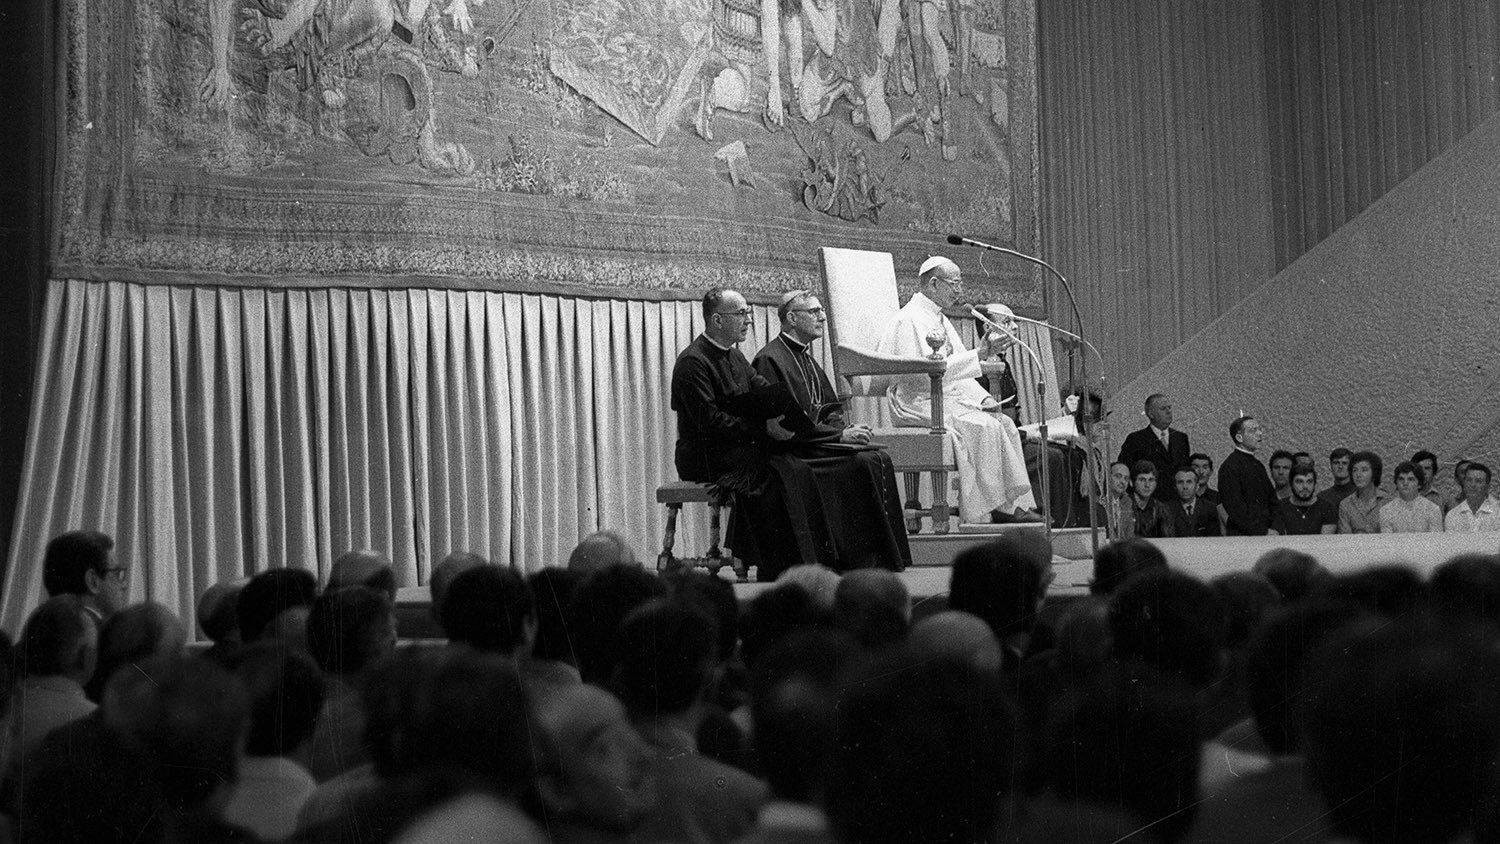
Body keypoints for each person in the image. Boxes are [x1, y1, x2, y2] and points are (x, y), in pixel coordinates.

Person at [671, 288, 908, 580]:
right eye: (741, 314)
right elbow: (710, 422)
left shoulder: (734, 356)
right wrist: (764, 429)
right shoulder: (693, 362)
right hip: (706, 455)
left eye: (748, 314)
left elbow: (764, 390)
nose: (749, 320)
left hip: (736, 447)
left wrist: (785, 414)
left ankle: (811, 562)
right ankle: (780, 566)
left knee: (791, 467)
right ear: (717, 320)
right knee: (784, 471)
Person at [751, 289, 913, 569]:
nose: (822, 317)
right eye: (814, 312)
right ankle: (858, 559)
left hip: (815, 442)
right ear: (791, 317)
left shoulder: (808, 359)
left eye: (822, 311)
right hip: (791, 450)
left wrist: (846, 429)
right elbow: (783, 424)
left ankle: (882, 558)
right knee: (862, 463)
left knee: (878, 457)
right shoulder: (770, 359)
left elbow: (829, 407)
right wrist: (839, 436)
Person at [874, 256, 1043, 525]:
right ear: (932, 284)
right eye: (954, 284)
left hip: (943, 398)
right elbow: (917, 376)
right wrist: (981, 353)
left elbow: (958, 371)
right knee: (984, 427)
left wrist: (984, 398)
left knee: (1005, 424)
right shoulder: (907, 320)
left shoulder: (938, 318)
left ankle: (1012, 504)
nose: (959, 290)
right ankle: (990, 508)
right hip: (916, 401)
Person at [41, 530, 127, 626]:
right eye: (117, 573)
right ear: (93, 581)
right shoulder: (107, 638)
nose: (124, 585)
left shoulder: (39, 631)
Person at [1117, 395, 1190, 502]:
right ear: (1151, 414)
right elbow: (1125, 471)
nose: (1168, 411)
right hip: (1149, 503)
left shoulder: (1181, 438)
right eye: (1163, 408)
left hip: (1177, 504)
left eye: (1169, 407)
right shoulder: (1136, 439)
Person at [1218, 416, 1274, 536]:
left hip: (1267, 533)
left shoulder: (1258, 465)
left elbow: (1272, 500)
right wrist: (1263, 531)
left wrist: (1276, 527)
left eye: (1259, 429)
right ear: (1239, 437)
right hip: (1244, 536)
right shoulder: (1230, 467)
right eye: (1253, 430)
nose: (1260, 434)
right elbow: (1236, 509)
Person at [1269, 464, 1336, 535]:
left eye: (1309, 481)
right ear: (1291, 484)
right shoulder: (1280, 507)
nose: (1305, 486)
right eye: (1299, 482)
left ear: (1315, 483)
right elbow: (1276, 538)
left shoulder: (1327, 508)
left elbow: (1325, 542)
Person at [1380, 461, 1444, 533]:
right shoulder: (1386, 511)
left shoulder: (1432, 510)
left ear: (1419, 484)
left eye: (1411, 479)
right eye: (1401, 479)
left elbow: (1436, 542)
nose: (1405, 483)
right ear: (1396, 483)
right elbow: (1387, 542)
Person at [1337, 451, 1388, 534]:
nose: (1358, 474)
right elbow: (1345, 540)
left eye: (1364, 470)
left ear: (1374, 473)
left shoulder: (1387, 501)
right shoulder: (1346, 504)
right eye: (1354, 470)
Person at [1166, 465, 1222, 537]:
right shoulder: (1167, 509)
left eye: (1189, 482)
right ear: (1175, 487)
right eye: (1180, 482)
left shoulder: (1209, 508)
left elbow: (1214, 539)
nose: (1185, 487)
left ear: (1197, 486)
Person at [1445, 461, 1500, 532]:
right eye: (1469, 480)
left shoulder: (1497, 514)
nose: (1473, 485)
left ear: (1487, 487)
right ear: (1464, 483)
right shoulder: (1453, 515)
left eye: (1478, 481)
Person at [1127, 461, 1171, 538]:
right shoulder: (1124, 505)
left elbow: (1168, 540)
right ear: (1131, 482)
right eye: (1142, 480)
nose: (1147, 485)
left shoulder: (1161, 509)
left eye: (1151, 480)